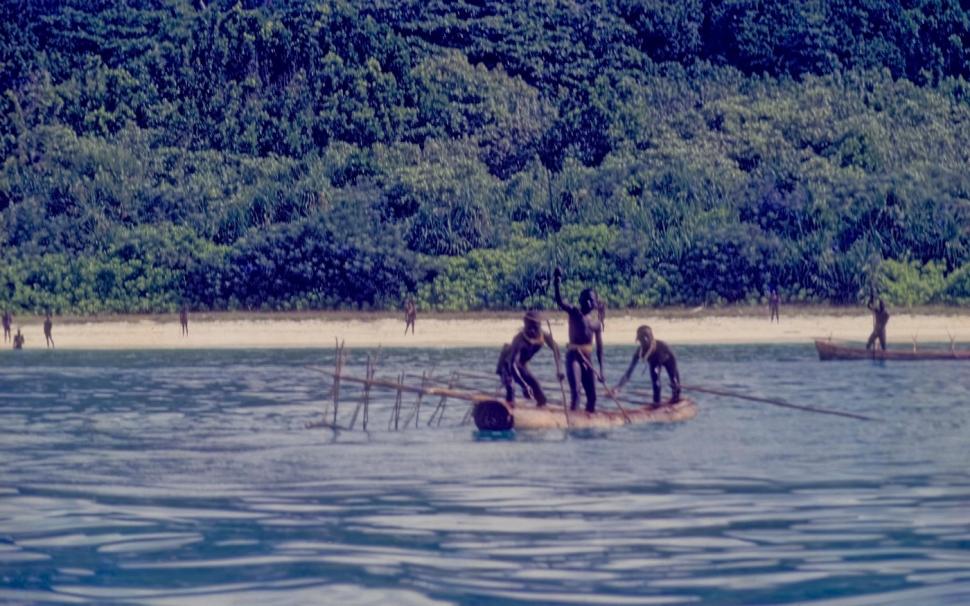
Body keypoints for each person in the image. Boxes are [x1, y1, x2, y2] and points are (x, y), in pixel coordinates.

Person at [552, 266, 604, 413]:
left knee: (592, 397)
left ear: (595, 304)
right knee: (576, 392)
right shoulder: (575, 313)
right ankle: (574, 421)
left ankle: (588, 421)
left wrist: (601, 370)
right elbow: (560, 301)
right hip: (574, 356)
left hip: (588, 359)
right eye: (586, 300)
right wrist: (557, 282)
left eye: (591, 301)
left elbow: (600, 348)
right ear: (580, 300)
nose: (588, 303)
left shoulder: (596, 323)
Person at [495, 311, 563, 407]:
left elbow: (556, 349)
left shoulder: (544, 335)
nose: (532, 330)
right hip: (507, 366)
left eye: (535, 327)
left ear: (540, 325)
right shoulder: (519, 339)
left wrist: (559, 369)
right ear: (524, 323)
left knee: (541, 397)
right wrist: (524, 386)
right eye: (529, 326)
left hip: (522, 366)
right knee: (511, 388)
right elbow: (512, 364)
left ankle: (539, 415)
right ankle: (509, 412)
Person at [613, 325, 681, 406]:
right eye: (641, 340)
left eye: (645, 339)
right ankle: (657, 403)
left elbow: (673, 360)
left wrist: (676, 383)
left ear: (650, 338)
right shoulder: (640, 351)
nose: (643, 342)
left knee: (674, 381)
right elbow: (629, 372)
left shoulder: (663, 346)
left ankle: (676, 398)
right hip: (655, 362)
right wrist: (618, 388)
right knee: (655, 381)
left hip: (668, 359)